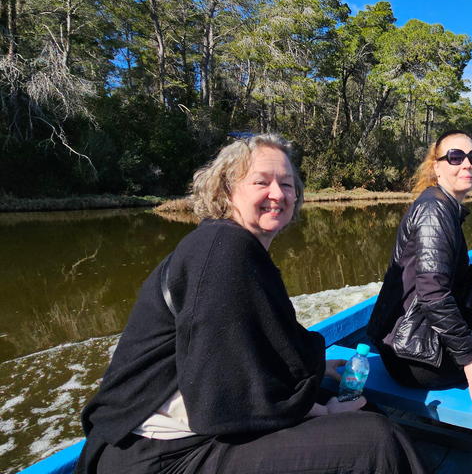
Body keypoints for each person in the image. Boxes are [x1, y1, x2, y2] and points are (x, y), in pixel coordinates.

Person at [75, 134, 426, 474]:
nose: (278, 194)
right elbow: (222, 391)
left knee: (364, 410)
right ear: (228, 191)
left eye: (287, 185)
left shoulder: (234, 245)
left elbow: (258, 342)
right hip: (159, 453)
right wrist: (320, 413)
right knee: (376, 440)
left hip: (188, 436)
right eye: (262, 182)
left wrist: (319, 365)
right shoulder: (224, 250)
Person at [367, 130, 472, 410]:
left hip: (405, 350)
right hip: (420, 359)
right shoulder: (435, 212)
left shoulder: (441, 205)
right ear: (437, 167)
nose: (467, 164)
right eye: (455, 157)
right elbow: (432, 295)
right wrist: (470, 361)